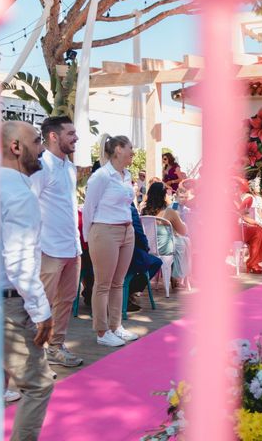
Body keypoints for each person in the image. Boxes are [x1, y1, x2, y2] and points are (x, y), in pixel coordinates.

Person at [0, 121, 55, 440]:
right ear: (16, 147)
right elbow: (20, 264)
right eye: (36, 141)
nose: (42, 148)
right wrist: (41, 313)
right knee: (38, 386)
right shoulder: (19, 194)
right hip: (7, 307)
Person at [30, 115, 83, 368]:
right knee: (42, 304)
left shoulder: (69, 167)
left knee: (66, 301)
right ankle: (34, 358)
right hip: (48, 249)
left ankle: (57, 347)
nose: (76, 137)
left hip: (72, 248)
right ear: (53, 136)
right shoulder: (40, 167)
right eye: (70, 133)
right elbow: (27, 207)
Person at [82, 134, 138, 347]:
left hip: (126, 231)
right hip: (105, 231)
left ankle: (116, 326)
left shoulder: (127, 174)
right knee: (103, 284)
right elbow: (89, 209)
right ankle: (102, 331)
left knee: (119, 283)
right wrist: (89, 237)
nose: (133, 152)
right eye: (130, 148)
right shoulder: (101, 176)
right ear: (118, 150)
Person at [141, 181, 192, 284]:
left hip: (148, 246)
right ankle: (177, 275)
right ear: (164, 195)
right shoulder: (169, 212)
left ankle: (174, 274)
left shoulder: (143, 212)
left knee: (178, 241)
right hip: (165, 248)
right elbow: (183, 231)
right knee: (185, 241)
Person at [233, 177, 262, 274]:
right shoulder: (245, 198)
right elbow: (241, 215)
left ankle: (254, 262)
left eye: (237, 186)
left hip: (240, 226)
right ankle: (252, 263)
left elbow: (244, 214)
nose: (235, 188)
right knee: (259, 230)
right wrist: (255, 222)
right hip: (232, 228)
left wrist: (256, 222)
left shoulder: (245, 197)